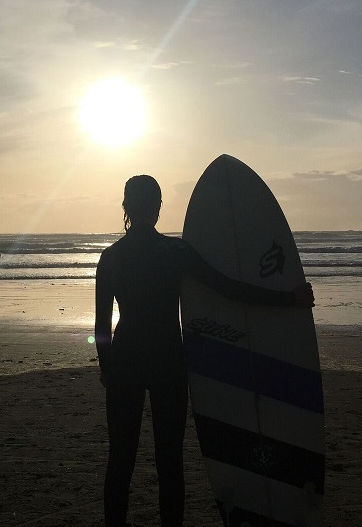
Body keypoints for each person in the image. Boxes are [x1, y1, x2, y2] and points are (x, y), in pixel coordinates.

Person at [94, 175, 314, 527]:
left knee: (121, 459)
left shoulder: (110, 258)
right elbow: (228, 289)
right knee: (169, 460)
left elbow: (101, 325)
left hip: (126, 361)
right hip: (168, 360)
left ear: (126, 206)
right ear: (158, 207)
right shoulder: (175, 252)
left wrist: (106, 367)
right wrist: (289, 298)